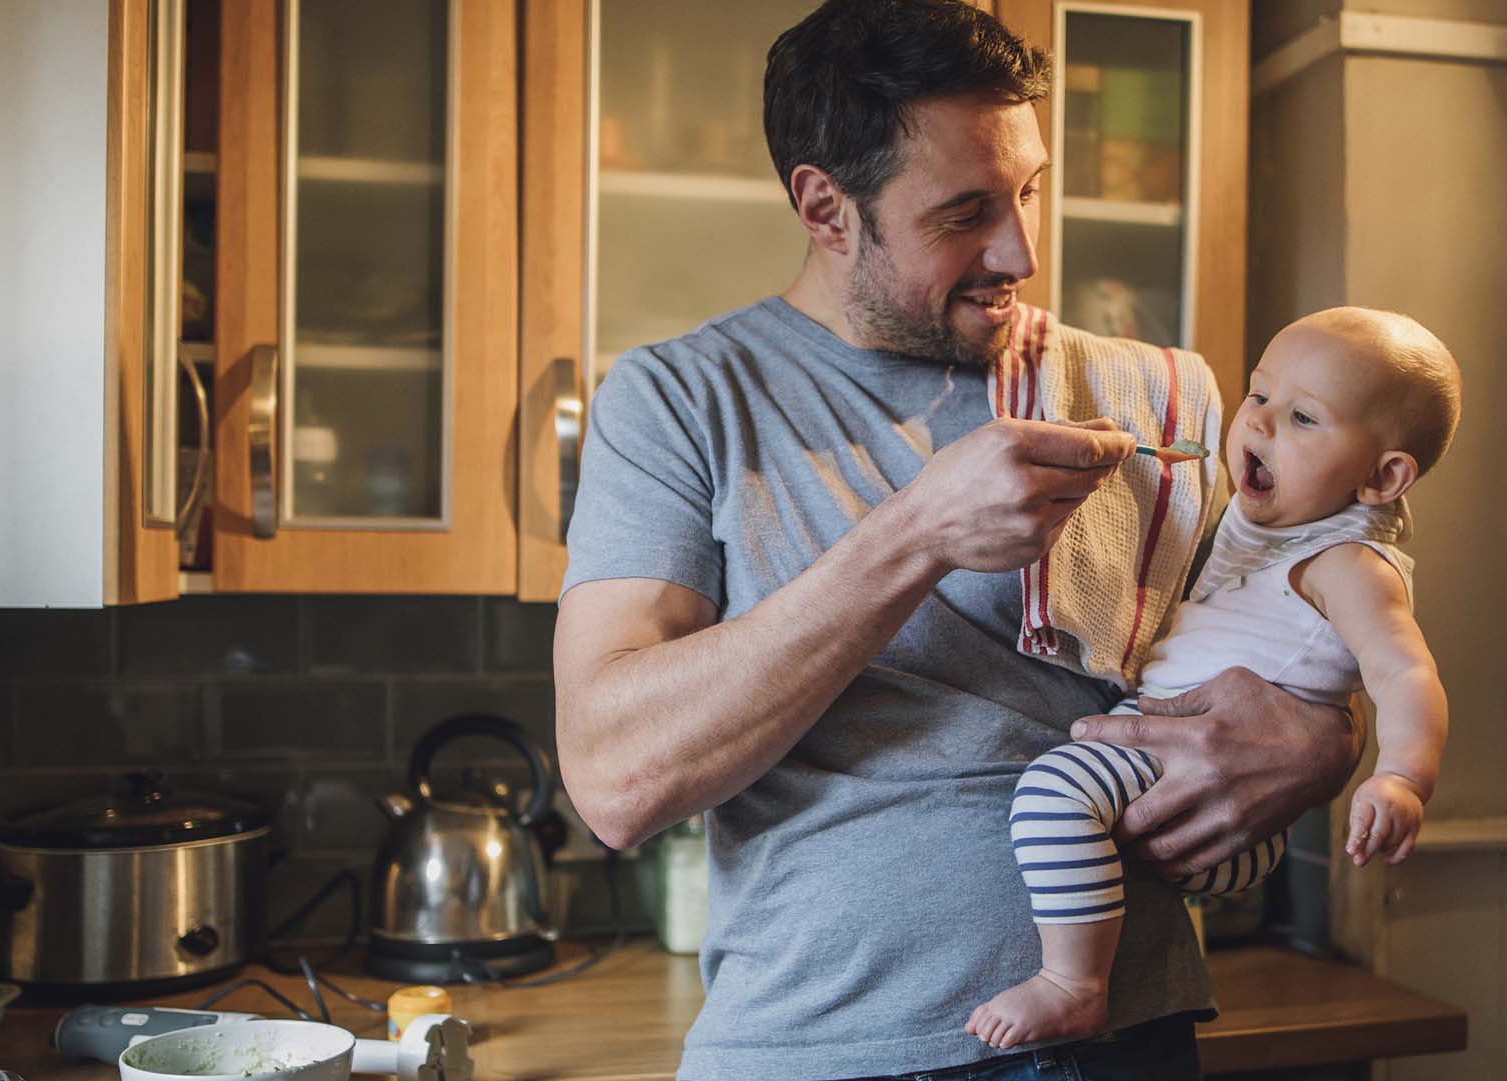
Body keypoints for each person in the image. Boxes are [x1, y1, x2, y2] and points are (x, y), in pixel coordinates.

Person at [553, 2, 1362, 1078]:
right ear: (825, 207)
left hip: (1125, 1038)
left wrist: (1330, 740)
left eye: (1028, 190)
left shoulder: (1152, 395)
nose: (1021, 248)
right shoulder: (682, 401)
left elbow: (1313, 626)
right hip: (824, 1050)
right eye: (965, 212)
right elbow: (615, 782)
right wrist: (917, 533)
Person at [968, 307, 1460, 1050]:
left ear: (1382, 476)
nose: (1257, 425)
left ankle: (1073, 983)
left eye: (1301, 417)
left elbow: (1404, 669)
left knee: (1051, 792)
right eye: (1258, 395)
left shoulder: (1348, 564)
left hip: (1196, 774)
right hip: (1198, 795)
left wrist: (1402, 777)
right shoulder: (1267, 526)